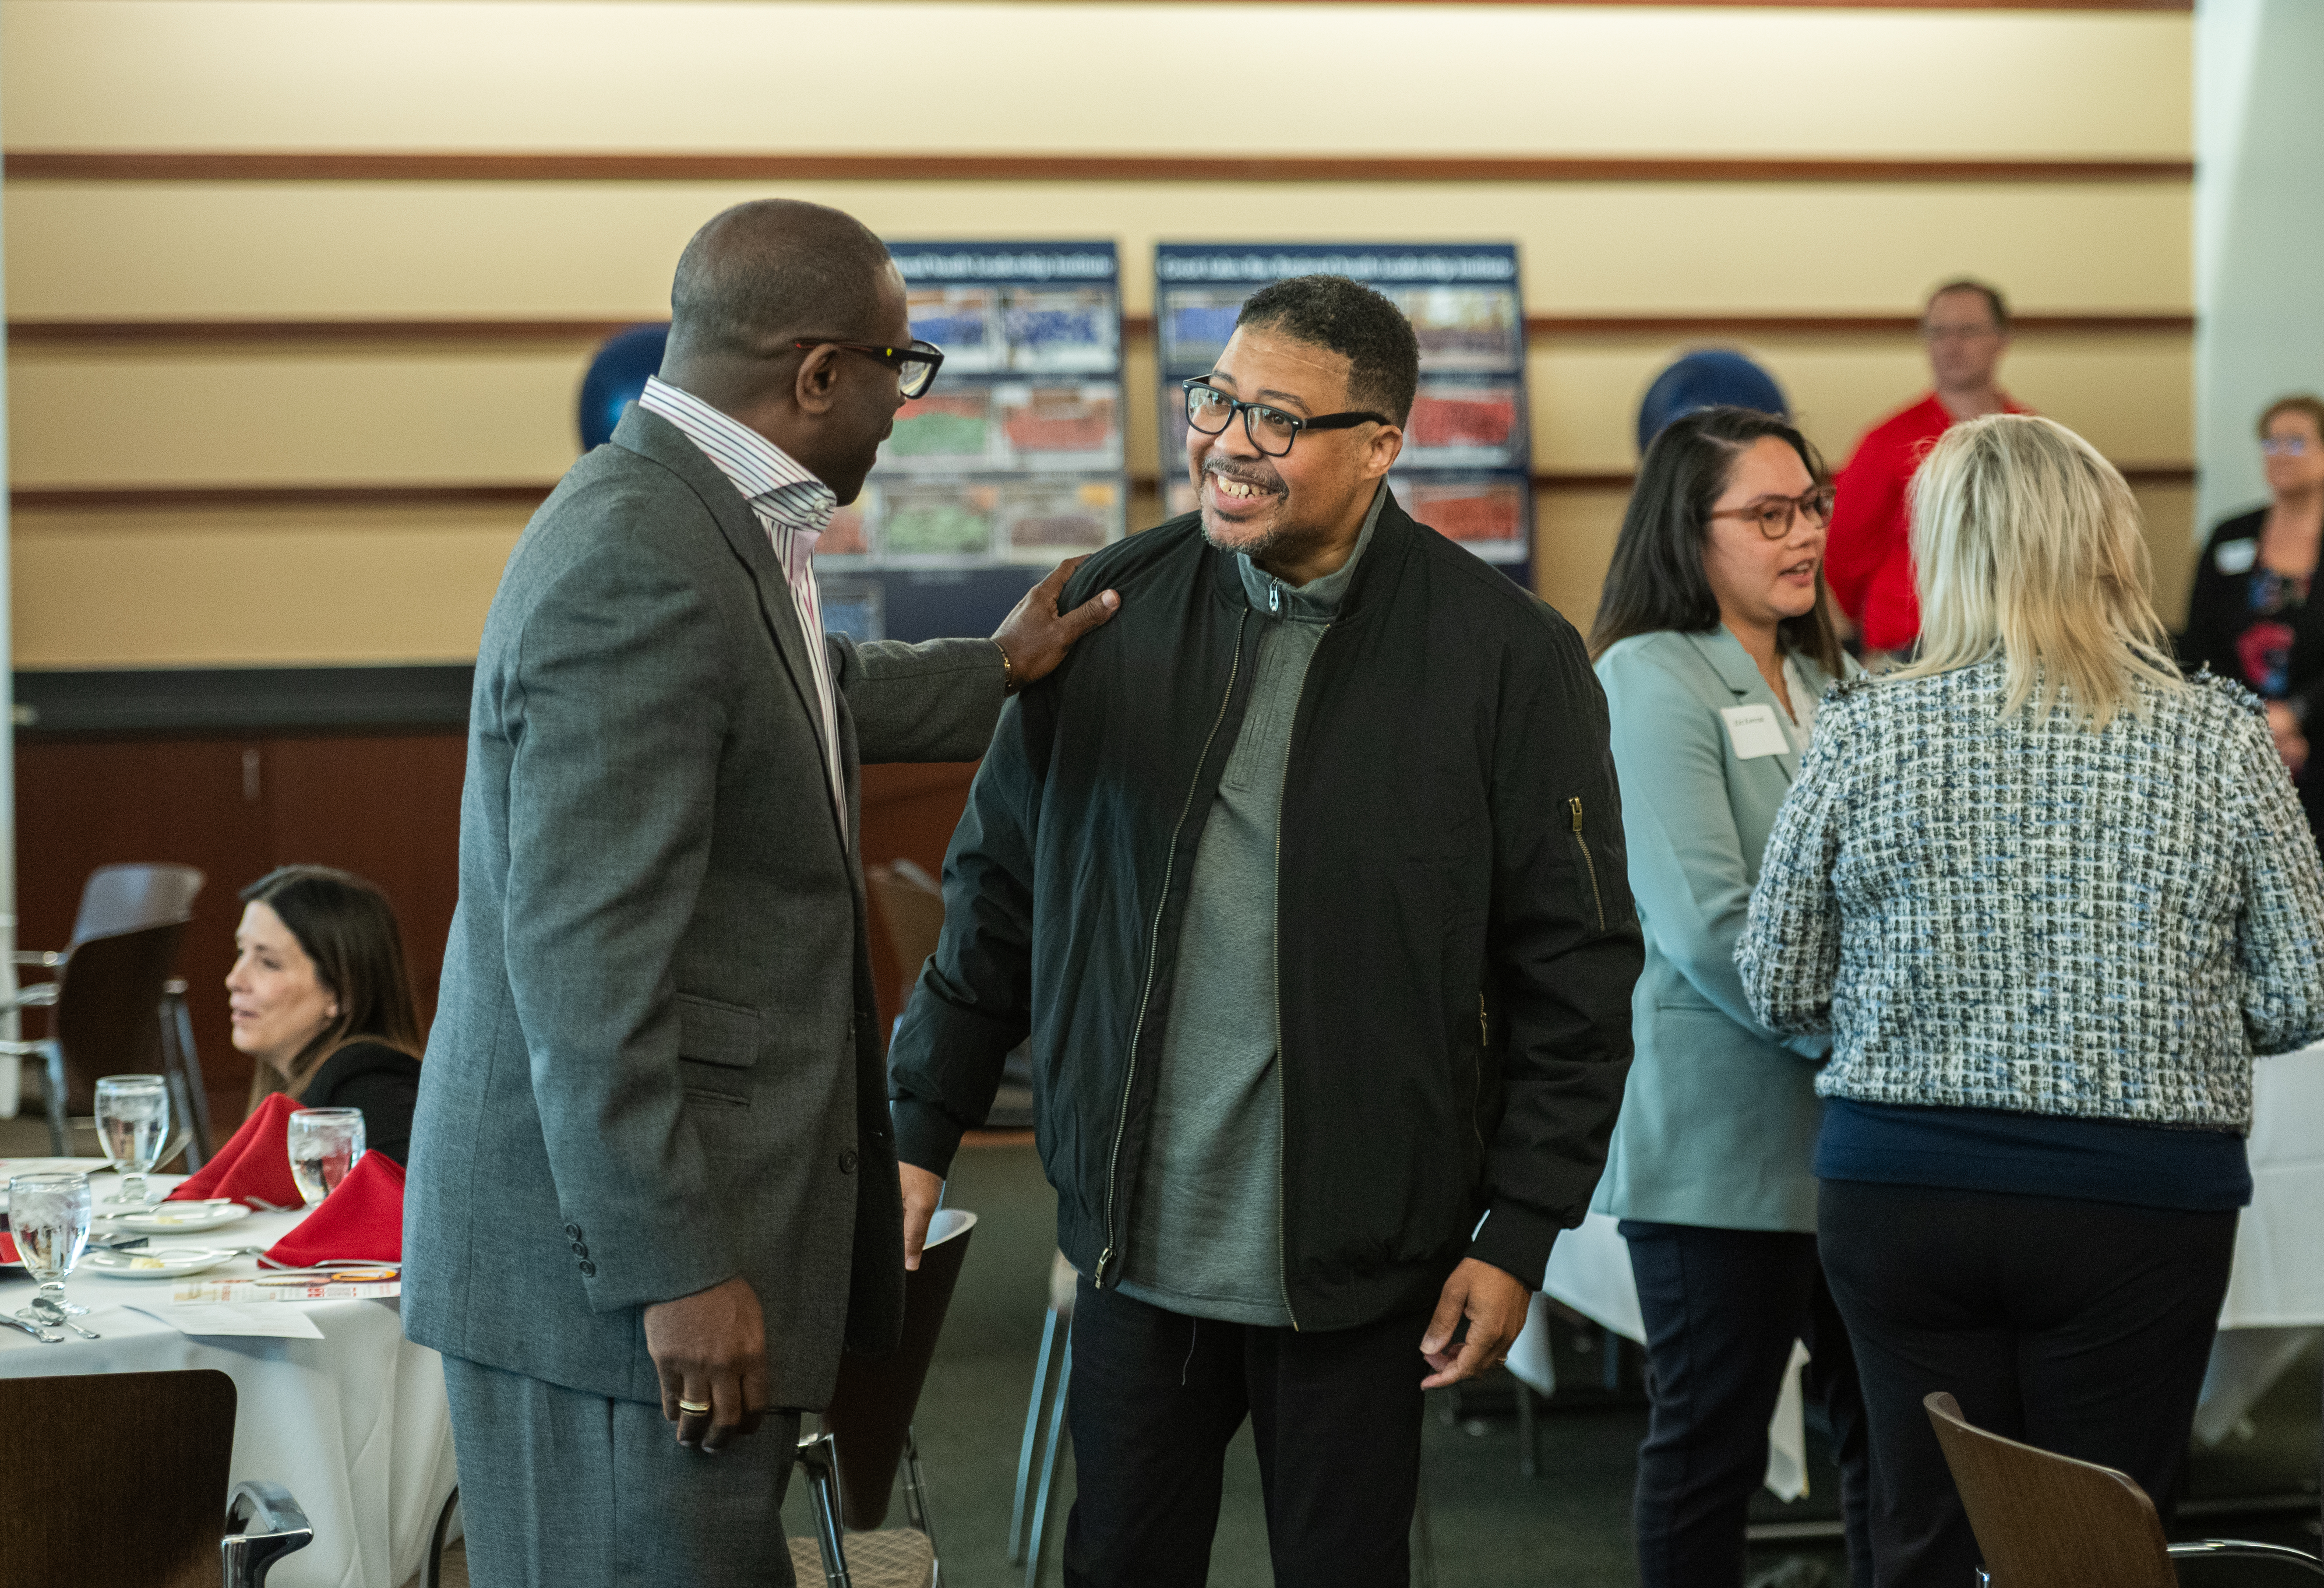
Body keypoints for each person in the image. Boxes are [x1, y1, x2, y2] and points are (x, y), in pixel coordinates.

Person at [400, 200, 1116, 1588]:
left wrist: (997, 667)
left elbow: (797, 692)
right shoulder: (639, 555)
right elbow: (586, 972)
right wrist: (672, 1267)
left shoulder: (693, 517)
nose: (903, 410)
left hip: (642, 1263)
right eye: (901, 368)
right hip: (618, 1293)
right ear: (819, 373)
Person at [886, 275, 1643, 1587]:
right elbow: (997, 899)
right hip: (1132, 1240)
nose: (1229, 443)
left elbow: (1573, 970)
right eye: (1217, 400)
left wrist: (1520, 1229)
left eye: (1277, 419)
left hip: (1366, 1259)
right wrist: (917, 1131)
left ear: (1379, 446)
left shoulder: (1505, 656)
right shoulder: (1104, 611)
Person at [1739, 413, 2324, 1588]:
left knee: (1922, 1532)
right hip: (2137, 1198)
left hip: (1902, 1187)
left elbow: (1778, 985)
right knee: (2095, 1549)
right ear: (2109, 544)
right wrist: (2158, 1024)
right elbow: (2305, 990)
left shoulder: (1864, 724)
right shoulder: (2216, 736)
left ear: (1943, 553)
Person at [1586, 407, 1868, 1588]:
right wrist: (1875, 1034)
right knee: (1711, 1443)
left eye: (1812, 506)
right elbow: (1708, 922)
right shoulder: (1647, 675)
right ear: (1686, 531)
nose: (1803, 534)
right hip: (1719, 1143)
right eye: (1769, 514)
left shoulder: (1827, 675)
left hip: (1851, 1136)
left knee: (1885, 1435)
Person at [2179, 395, 2324, 931]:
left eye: (2295, 442)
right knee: (2239, 895)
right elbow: (2199, 640)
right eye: (2269, 441)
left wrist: (2294, 716)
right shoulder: (2229, 536)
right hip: (2238, 742)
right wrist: (2256, 722)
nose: (2278, 453)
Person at [1824, 280, 2029, 660]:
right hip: (1909, 639)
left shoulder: (2036, 437)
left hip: (2018, 636)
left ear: (2002, 339)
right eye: (1938, 332)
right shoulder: (1885, 441)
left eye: (1968, 330)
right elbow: (1844, 551)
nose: (1951, 345)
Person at [226, 863, 423, 1164]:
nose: (234, 980)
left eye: (269, 963)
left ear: (341, 993)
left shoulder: (376, 1100)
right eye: (242, 952)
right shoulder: (308, 1089)